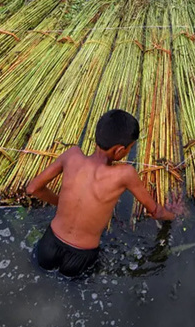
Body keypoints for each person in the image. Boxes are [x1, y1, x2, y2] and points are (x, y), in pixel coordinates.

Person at [26, 109, 176, 278]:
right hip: (81, 256)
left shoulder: (72, 155)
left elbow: (33, 189)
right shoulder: (125, 174)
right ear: (119, 151)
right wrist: (174, 217)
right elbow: (155, 211)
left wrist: (61, 202)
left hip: (49, 244)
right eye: (130, 148)